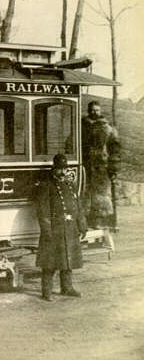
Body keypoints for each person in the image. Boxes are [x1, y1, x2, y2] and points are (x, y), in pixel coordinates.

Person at [35, 154, 87, 302]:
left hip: (69, 227)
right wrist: (47, 231)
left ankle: (67, 288)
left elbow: (78, 206)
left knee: (67, 260)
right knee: (50, 263)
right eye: (59, 169)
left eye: (64, 168)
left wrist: (82, 225)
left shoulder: (70, 185)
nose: (62, 172)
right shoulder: (46, 185)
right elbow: (42, 210)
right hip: (54, 229)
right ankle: (47, 292)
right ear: (54, 169)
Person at [81, 101, 121, 233]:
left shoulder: (108, 129)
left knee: (102, 196)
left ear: (100, 111)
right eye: (92, 110)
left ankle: (103, 224)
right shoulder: (81, 127)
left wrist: (113, 168)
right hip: (85, 166)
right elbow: (71, 143)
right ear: (88, 110)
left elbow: (115, 149)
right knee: (86, 195)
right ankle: (85, 223)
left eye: (97, 110)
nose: (94, 112)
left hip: (102, 167)